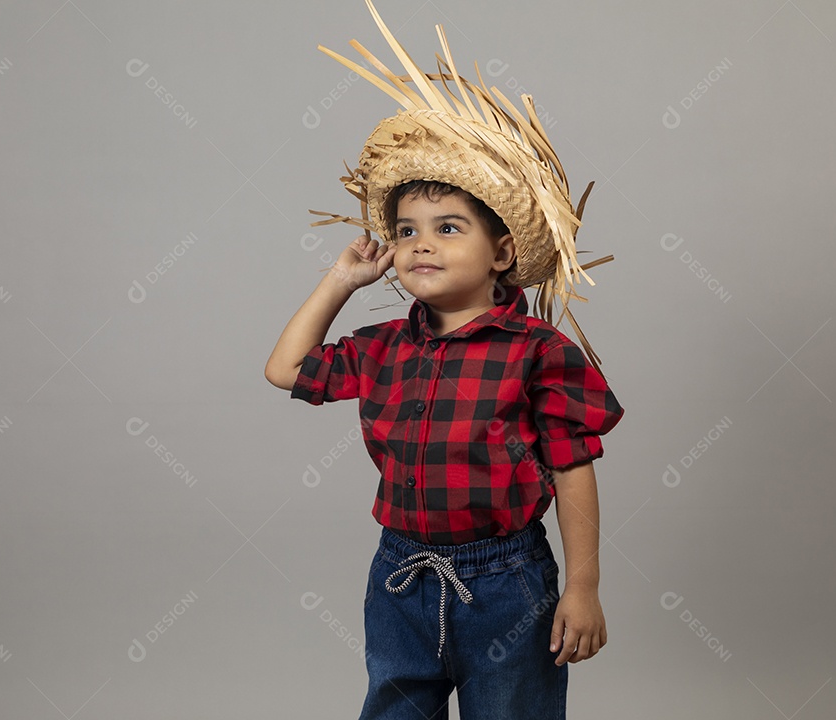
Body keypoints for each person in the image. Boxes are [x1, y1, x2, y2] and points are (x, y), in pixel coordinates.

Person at [265, 2, 624, 717]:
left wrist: (583, 588)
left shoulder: (538, 353)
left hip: (507, 580)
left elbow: (572, 471)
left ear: (502, 252)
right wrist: (340, 280)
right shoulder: (382, 348)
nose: (420, 243)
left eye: (449, 228)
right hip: (400, 572)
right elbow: (287, 370)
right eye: (406, 231)